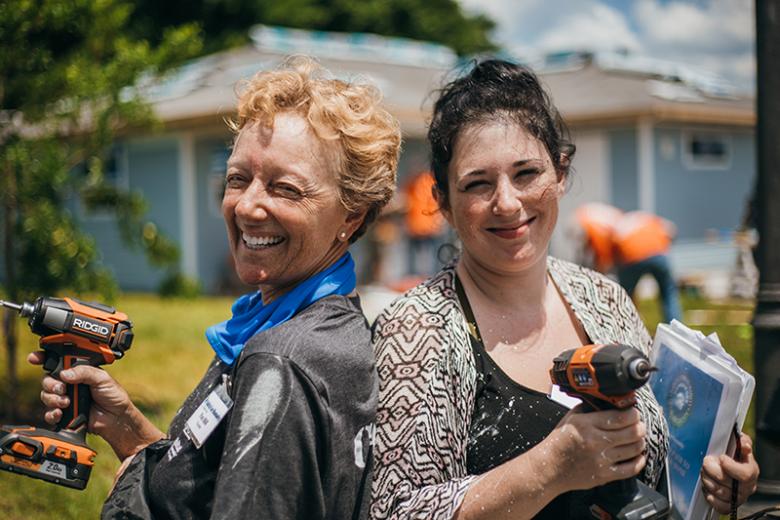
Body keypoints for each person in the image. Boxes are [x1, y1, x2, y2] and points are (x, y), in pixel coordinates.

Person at [370, 59, 759, 519]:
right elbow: (398, 510)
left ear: (559, 172)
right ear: (445, 205)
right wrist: (550, 468)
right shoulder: (416, 328)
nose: (507, 202)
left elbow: (655, 458)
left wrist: (714, 477)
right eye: (477, 183)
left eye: (526, 173)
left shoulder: (604, 298)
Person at [32, 57, 401, 519]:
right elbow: (222, 489)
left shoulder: (280, 364)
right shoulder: (317, 325)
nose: (247, 206)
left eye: (285, 189)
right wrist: (128, 431)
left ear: (352, 215)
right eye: (237, 179)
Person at [404, 170, 446, 276]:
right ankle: (414, 277)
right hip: (417, 225)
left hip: (427, 226)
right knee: (416, 256)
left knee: (432, 255)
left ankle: (434, 276)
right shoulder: (414, 183)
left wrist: (438, 220)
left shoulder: (428, 183)